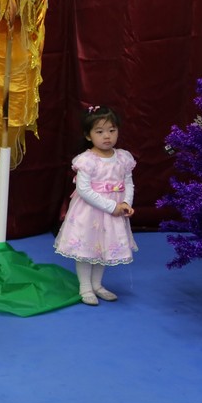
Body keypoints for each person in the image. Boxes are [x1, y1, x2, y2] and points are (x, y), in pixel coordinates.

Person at [53, 104, 137, 305]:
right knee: (86, 249)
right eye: (99, 132)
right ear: (88, 135)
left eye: (111, 130)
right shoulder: (86, 160)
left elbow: (128, 183)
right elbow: (84, 190)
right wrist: (112, 206)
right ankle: (85, 287)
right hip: (90, 213)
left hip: (113, 214)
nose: (107, 136)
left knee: (103, 248)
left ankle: (97, 285)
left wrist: (126, 202)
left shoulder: (123, 158)